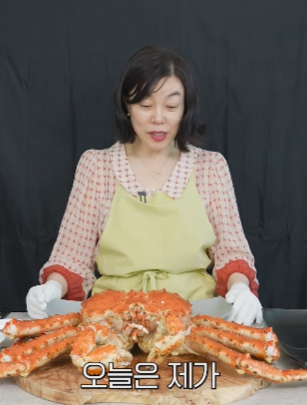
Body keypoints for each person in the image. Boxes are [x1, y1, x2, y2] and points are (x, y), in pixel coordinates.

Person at [26, 45, 263, 325]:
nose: (158, 118)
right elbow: (72, 256)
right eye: (145, 105)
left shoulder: (210, 167)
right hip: (111, 320)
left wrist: (240, 288)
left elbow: (231, 251)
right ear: (126, 106)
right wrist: (52, 288)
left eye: (171, 106)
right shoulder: (97, 166)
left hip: (195, 318)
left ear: (185, 108)